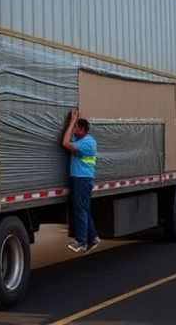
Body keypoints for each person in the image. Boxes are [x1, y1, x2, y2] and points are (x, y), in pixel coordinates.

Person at [61, 108, 99, 253]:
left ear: (82, 130)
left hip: (82, 180)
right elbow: (71, 137)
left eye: (77, 127)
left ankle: (81, 242)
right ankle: (93, 237)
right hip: (82, 179)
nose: (74, 129)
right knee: (84, 209)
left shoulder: (86, 144)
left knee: (80, 210)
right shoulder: (83, 139)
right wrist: (75, 119)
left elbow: (65, 143)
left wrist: (71, 122)